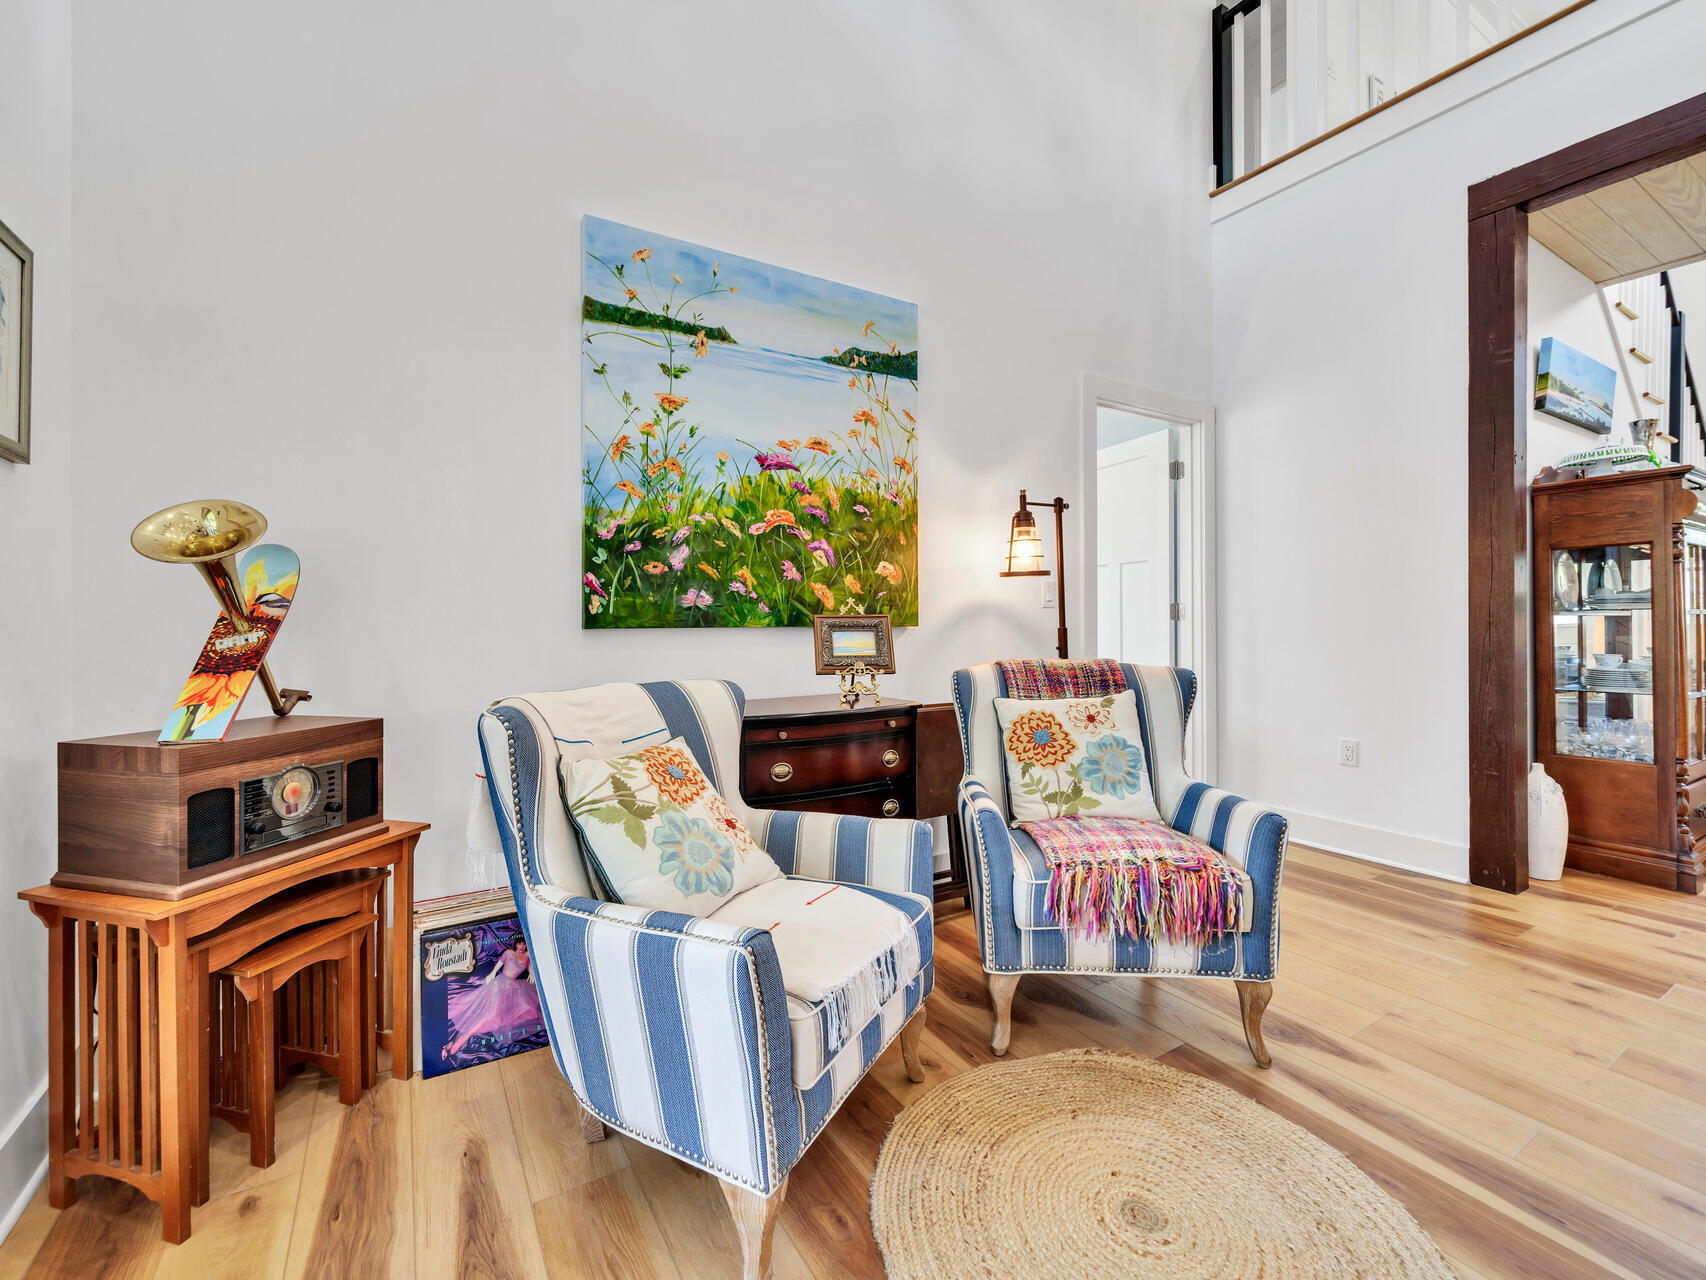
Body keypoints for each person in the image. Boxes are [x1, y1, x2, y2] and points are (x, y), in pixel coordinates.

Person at [441, 935, 538, 1061]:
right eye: (519, 944)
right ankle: (463, 1037)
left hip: (513, 987)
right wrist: (492, 974)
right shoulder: (509, 952)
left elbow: (529, 965)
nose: (521, 946)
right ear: (516, 944)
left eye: (524, 944)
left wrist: (531, 973)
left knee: (522, 1012)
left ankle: (457, 1040)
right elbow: (499, 964)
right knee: (490, 1015)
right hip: (500, 983)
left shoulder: (527, 956)